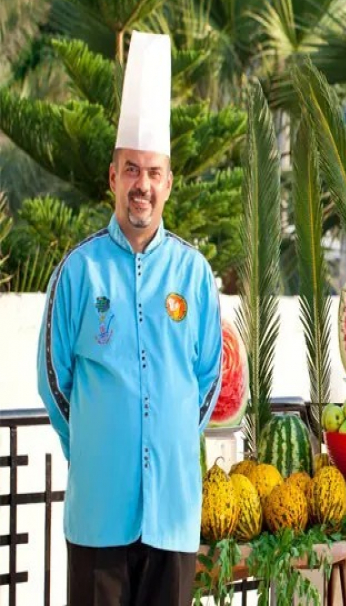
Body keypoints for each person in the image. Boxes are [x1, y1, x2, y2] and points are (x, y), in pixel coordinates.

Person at [36, 31, 223, 606]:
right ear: (113, 177)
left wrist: (168, 440)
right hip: (99, 514)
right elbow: (53, 380)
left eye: (153, 172)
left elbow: (209, 379)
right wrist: (97, 447)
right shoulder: (79, 271)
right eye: (132, 170)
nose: (143, 185)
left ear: (168, 183)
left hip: (173, 515)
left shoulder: (194, 274)